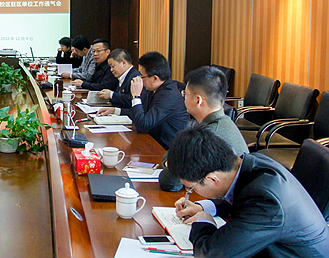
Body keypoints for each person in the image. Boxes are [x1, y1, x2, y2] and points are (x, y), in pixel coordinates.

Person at [169, 124, 329, 257]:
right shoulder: (249, 163)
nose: (190, 192)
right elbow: (239, 197)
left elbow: (211, 254)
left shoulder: (267, 201)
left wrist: (203, 222)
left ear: (212, 179)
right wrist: (203, 207)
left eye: (191, 188)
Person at [159, 65, 249, 192]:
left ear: (198, 100)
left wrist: (172, 162)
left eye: (185, 94)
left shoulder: (208, 136)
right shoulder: (223, 123)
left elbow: (170, 181)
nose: (183, 97)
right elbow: (170, 155)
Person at [120, 51, 190, 150]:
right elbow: (143, 113)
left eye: (142, 77)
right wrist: (116, 111)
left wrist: (136, 96)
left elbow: (143, 125)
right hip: (153, 142)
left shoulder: (168, 95)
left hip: (167, 149)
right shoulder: (155, 89)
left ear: (155, 78)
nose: (140, 80)